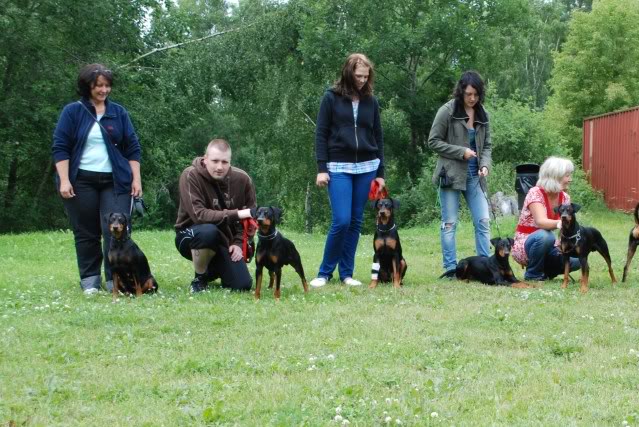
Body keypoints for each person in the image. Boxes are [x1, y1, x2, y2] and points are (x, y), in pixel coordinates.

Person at [52, 63, 142, 295]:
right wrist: (64, 180)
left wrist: (136, 179)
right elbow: (60, 147)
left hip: (116, 181)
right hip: (81, 181)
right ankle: (90, 280)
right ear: (87, 86)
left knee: (115, 229)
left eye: (107, 85)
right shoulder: (72, 112)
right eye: (98, 85)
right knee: (86, 231)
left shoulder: (119, 113)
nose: (104, 90)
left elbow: (132, 148)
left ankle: (116, 279)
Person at [310, 53, 385, 288]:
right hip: (338, 166)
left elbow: (378, 137)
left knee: (355, 221)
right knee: (341, 220)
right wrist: (322, 168)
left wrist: (381, 173)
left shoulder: (371, 101)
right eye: (358, 76)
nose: (362, 80)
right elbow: (321, 134)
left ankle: (346, 274)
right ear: (348, 73)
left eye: (366, 76)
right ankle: (324, 272)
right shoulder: (330, 98)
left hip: (367, 167)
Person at [427, 70, 492, 277]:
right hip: (451, 175)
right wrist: (460, 152)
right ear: (461, 92)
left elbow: (487, 146)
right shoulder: (446, 111)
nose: (472, 99)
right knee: (449, 224)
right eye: (468, 94)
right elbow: (433, 142)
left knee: (483, 220)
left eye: (476, 94)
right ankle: (450, 270)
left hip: (476, 177)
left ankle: (485, 267)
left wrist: (485, 165)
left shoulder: (483, 114)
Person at [175, 139, 256, 293]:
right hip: (191, 235)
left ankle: (212, 270)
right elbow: (199, 215)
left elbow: (250, 217)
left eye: (225, 162)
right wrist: (237, 213)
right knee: (208, 231)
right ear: (205, 159)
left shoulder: (243, 179)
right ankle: (200, 278)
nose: (220, 167)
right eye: (215, 161)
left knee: (242, 285)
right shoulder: (190, 175)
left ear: (230, 162)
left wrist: (239, 243)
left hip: (226, 241)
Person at [512, 156, 580, 281]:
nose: (570, 179)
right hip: (526, 244)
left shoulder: (565, 197)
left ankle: (546, 272)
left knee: (578, 259)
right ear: (555, 176)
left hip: (550, 245)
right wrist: (560, 223)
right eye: (567, 175)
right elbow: (541, 222)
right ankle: (533, 275)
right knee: (545, 236)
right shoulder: (535, 192)